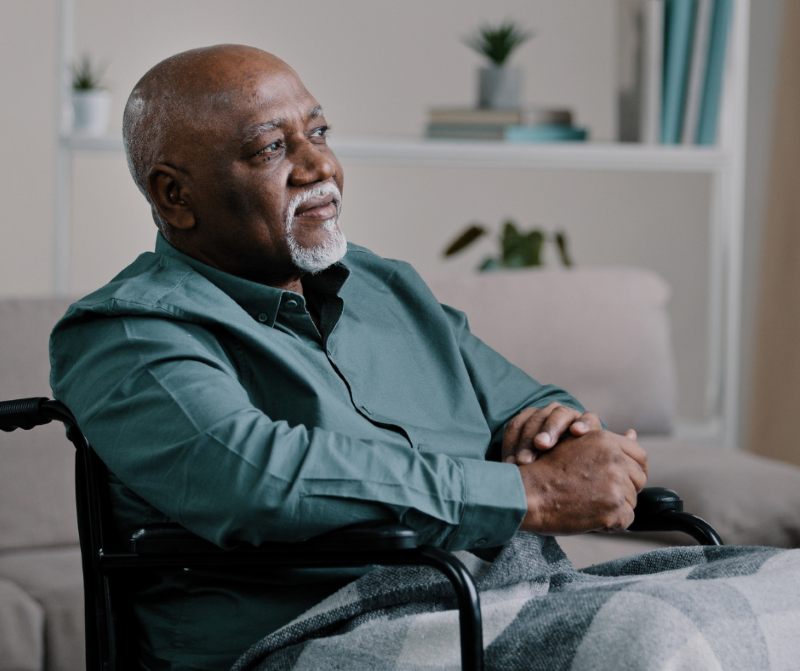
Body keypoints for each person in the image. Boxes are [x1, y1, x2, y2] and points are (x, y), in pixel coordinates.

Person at [49, 45, 648, 671]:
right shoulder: (125, 330)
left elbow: (527, 406)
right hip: (313, 640)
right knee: (654, 641)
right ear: (175, 196)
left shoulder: (382, 283)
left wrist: (570, 437)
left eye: (319, 133)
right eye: (271, 149)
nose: (319, 165)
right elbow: (258, 477)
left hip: (497, 606)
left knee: (754, 586)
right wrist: (520, 494)